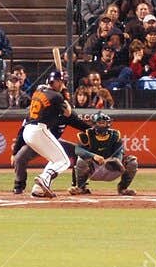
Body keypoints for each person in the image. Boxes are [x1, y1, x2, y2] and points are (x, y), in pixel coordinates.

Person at [20, 69, 91, 199]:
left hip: (28, 131)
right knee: (64, 161)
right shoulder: (56, 96)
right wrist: (64, 97)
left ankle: (38, 189)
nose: (62, 84)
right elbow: (68, 113)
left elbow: (50, 96)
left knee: (55, 159)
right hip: (39, 130)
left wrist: (61, 94)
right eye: (60, 82)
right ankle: (44, 178)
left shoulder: (39, 90)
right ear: (56, 82)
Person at [69, 112, 138, 196]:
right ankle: (81, 188)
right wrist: (94, 156)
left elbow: (119, 152)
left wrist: (115, 161)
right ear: (94, 123)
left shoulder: (115, 135)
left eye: (104, 123)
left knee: (132, 162)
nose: (103, 125)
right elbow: (78, 150)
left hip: (112, 167)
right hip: (93, 169)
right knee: (81, 160)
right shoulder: (87, 134)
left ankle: (123, 188)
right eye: (100, 123)